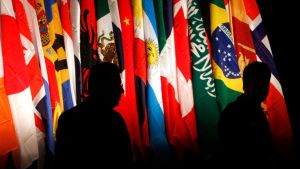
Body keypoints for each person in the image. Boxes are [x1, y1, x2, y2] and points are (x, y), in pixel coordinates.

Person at [55, 62, 133, 168]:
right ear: (103, 87)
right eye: (116, 85)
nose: (122, 90)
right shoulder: (115, 121)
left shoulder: (68, 119)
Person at [216, 61, 280, 168]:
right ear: (247, 83)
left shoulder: (258, 111)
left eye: (266, 82)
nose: (265, 87)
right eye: (260, 82)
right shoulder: (234, 112)